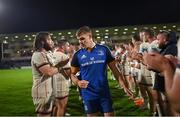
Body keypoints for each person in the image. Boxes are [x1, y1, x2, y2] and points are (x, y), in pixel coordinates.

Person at [70, 26, 133, 116]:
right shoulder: (78, 55)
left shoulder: (104, 50)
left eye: (83, 39)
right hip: (88, 95)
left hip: (104, 93)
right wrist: (78, 82)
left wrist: (124, 86)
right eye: (79, 40)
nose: (80, 42)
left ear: (90, 36)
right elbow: (72, 74)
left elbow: (115, 70)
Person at [31, 32, 69, 117]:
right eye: (49, 39)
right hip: (42, 94)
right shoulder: (38, 55)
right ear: (42, 42)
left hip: (50, 92)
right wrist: (60, 65)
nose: (52, 41)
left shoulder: (47, 54)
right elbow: (49, 72)